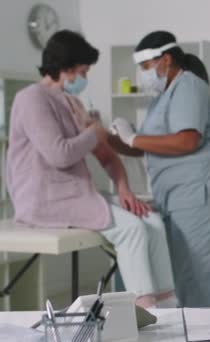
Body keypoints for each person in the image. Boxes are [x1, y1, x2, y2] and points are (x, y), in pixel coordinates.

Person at [6, 30, 176, 308]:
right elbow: (59, 155)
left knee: (152, 222)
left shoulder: (70, 102)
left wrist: (124, 189)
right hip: (43, 200)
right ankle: (145, 309)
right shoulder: (31, 99)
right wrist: (94, 133)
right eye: (83, 71)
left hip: (74, 193)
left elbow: (106, 155)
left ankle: (169, 305)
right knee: (131, 229)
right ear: (67, 68)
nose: (84, 79)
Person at [109, 31, 210, 307]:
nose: (143, 75)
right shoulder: (164, 95)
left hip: (196, 196)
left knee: (196, 282)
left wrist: (132, 137)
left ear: (165, 59)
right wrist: (109, 138)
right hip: (178, 198)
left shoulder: (188, 86)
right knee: (183, 279)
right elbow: (145, 146)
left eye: (145, 67)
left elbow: (187, 140)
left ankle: (206, 337)